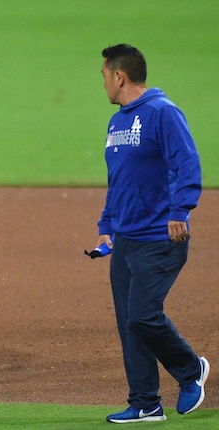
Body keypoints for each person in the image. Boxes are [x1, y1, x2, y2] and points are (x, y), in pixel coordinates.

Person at [94, 44, 208, 424]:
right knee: (130, 323)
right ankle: (145, 402)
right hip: (125, 238)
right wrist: (106, 226)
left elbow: (186, 160)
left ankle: (191, 370)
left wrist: (181, 209)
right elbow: (119, 180)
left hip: (160, 237)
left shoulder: (162, 112)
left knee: (143, 316)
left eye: (104, 76)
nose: (104, 83)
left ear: (119, 76)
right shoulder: (117, 122)